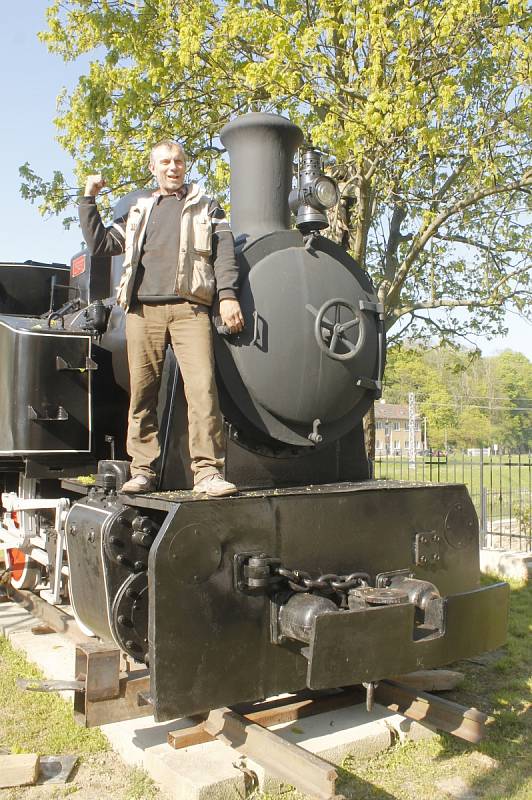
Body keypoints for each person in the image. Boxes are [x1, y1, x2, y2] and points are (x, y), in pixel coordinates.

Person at [79, 140, 244, 496]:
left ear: (186, 166)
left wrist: (227, 295)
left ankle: (207, 474)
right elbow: (102, 245)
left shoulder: (207, 206)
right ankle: (142, 471)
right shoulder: (139, 209)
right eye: (166, 162)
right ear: (153, 167)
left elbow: (225, 253)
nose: (173, 167)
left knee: (202, 391)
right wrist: (88, 200)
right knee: (142, 394)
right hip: (143, 311)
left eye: (179, 161)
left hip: (190, 310)